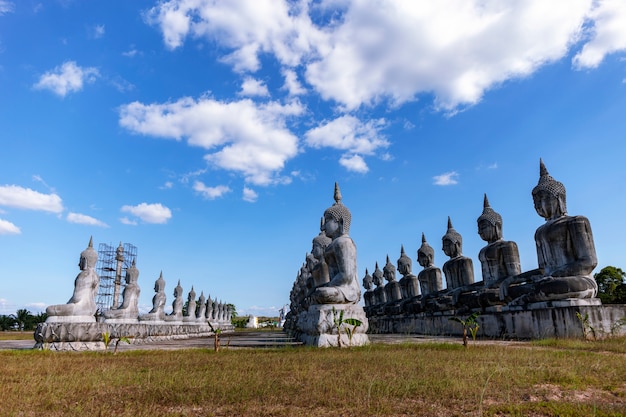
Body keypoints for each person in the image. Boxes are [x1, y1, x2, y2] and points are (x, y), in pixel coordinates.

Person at [501, 159, 598, 304]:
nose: (539, 205)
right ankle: (532, 295)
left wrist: (555, 275)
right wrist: (512, 280)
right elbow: (542, 269)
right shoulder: (539, 232)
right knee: (510, 290)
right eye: (536, 202)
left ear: (559, 198)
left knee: (554, 286)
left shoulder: (576, 221)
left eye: (543, 199)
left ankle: (530, 298)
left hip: (579, 281)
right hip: (547, 281)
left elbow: (589, 262)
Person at [310, 183, 361, 305]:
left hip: (347, 290)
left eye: (327, 221)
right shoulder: (334, 244)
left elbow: (347, 275)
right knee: (316, 294)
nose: (323, 226)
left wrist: (329, 285)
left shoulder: (344, 242)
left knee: (321, 293)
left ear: (340, 222)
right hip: (336, 286)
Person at [46, 237, 99, 321]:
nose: (78, 264)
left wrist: (68, 305)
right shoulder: (96, 276)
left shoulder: (83, 275)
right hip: (91, 308)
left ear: (84, 260)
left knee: (49, 309)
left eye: (80, 260)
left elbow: (76, 298)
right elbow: (94, 294)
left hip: (79, 308)